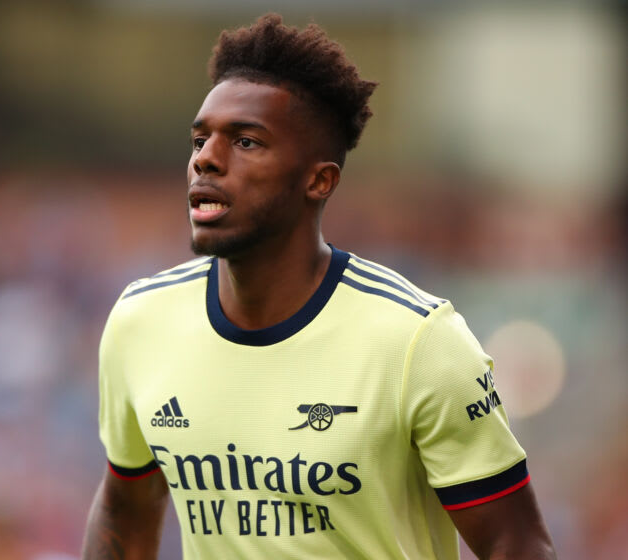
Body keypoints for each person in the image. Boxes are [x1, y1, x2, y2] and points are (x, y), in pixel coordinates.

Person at [82, 13, 556, 560]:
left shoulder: (419, 344)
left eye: (246, 141)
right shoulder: (141, 322)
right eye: (199, 138)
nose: (205, 159)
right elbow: (124, 509)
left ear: (319, 179)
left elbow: (516, 544)